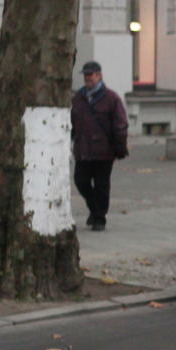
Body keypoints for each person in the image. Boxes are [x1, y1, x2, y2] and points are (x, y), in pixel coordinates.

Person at [70, 61, 128, 231]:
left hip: (104, 150)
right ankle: (95, 209)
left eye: (92, 74)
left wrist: (120, 144)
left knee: (102, 185)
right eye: (86, 75)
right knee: (80, 181)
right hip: (83, 150)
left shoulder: (111, 98)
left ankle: (100, 218)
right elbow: (71, 122)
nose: (88, 78)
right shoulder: (78, 98)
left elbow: (120, 123)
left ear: (99, 75)